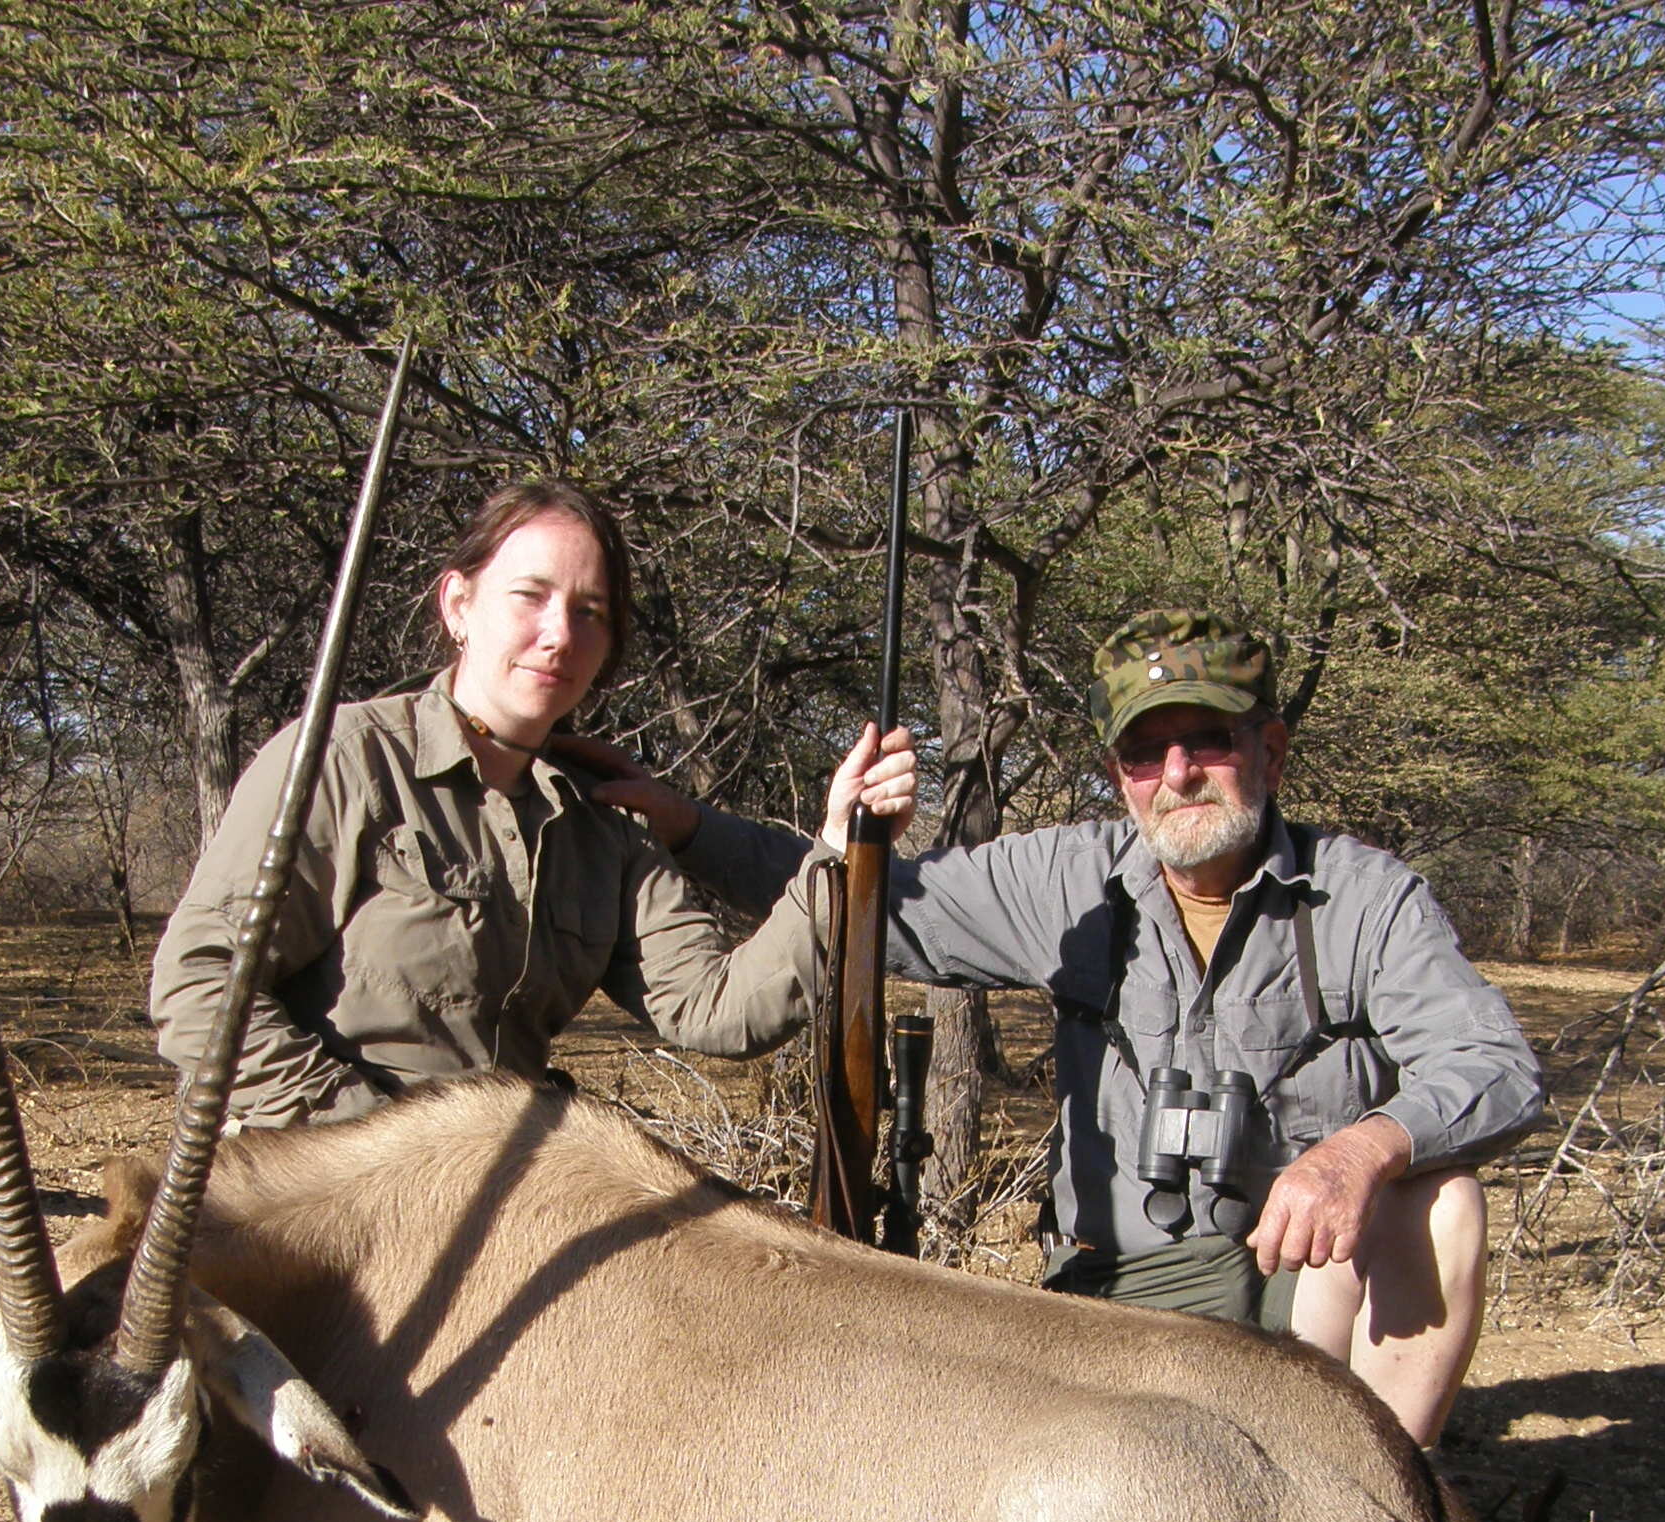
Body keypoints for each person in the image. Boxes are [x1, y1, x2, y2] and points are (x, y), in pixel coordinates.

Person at [603, 609, 1539, 1448]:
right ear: (1117, 774)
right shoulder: (1063, 877)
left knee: (1442, 1203)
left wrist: (1362, 1149)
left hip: (1299, 1287)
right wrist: (683, 824)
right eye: (1145, 752)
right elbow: (861, 899)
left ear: (1271, 752)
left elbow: (1495, 1065)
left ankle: (1383, 1510)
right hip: (1117, 1300)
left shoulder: (1368, 897)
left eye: (1208, 741)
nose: (1177, 776)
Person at [150, 480, 914, 1126]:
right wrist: (371, 1145)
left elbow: (714, 1009)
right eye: (531, 597)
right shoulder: (347, 757)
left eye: (590, 612)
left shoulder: (607, 818)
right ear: (459, 604)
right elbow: (200, 986)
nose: (559, 635)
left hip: (501, 1196)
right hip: (321, 1192)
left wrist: (840, 850)